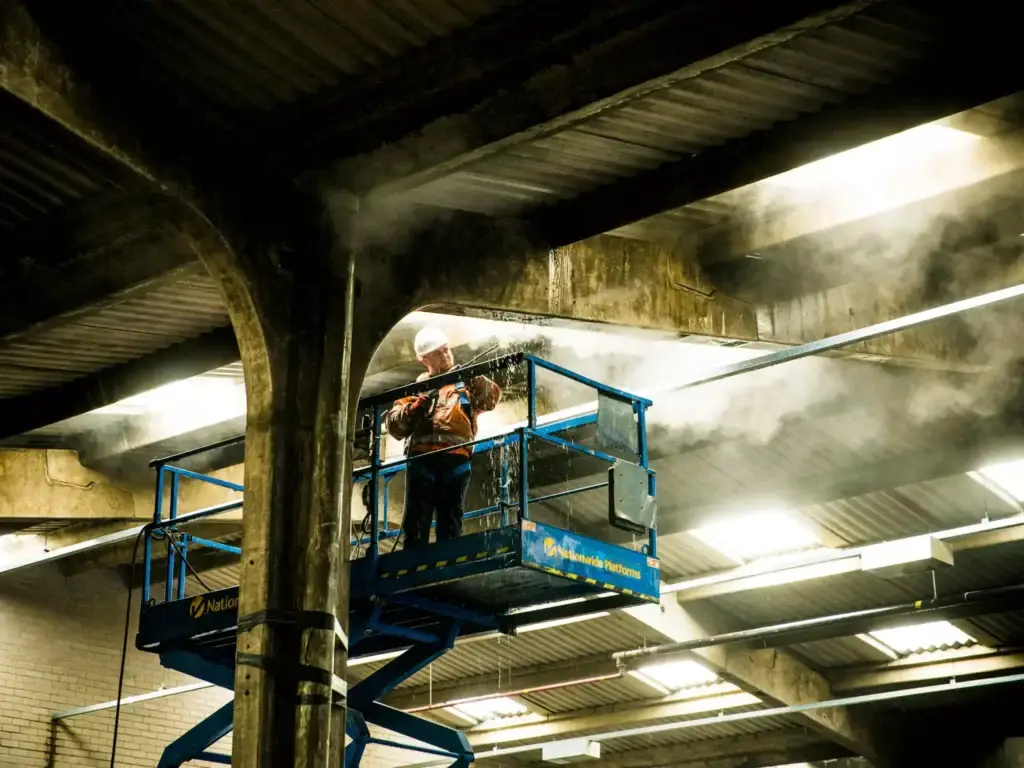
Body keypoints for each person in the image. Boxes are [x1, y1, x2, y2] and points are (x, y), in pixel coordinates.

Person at [384, 326, 502, 549]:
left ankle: (448, 559)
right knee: (416, 522)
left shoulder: (464, 386)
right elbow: (394, 427)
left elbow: (491, 399)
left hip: (455, 460)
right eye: (438, 353)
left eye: (446, 350)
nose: (446, 355)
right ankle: (412, 563)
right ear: (424, 359)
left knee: (450, 520)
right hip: (421, 462)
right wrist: (415, 408)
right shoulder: (415, 391)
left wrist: (475, 380)